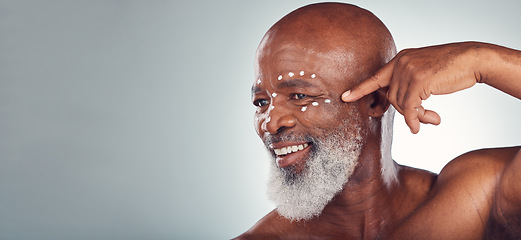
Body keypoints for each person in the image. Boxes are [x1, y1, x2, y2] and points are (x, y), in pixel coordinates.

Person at [235, 2, 521, 239]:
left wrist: (481, 61)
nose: (270, 124)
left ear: (375, 101)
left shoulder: (472, 202)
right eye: (261, 102)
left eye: (298, 96)